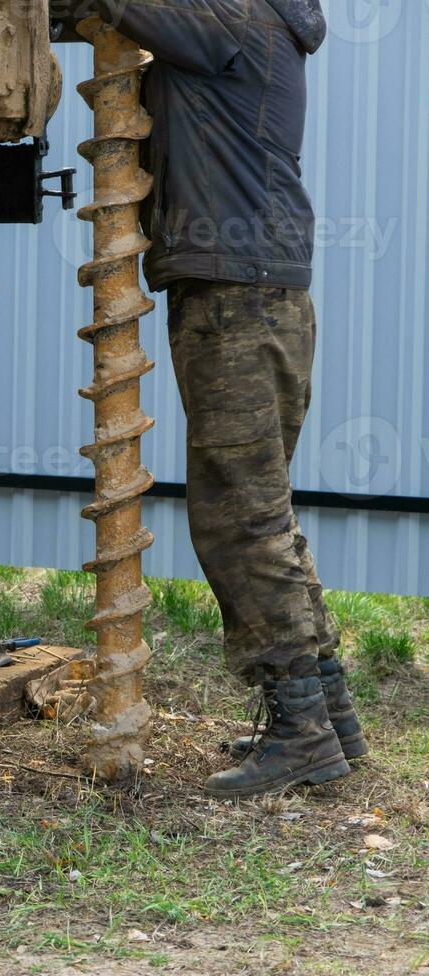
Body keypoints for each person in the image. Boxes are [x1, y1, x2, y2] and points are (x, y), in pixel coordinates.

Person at [84, 0, 367, 797]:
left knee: (240, 520)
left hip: (238, 298)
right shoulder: (250, 22)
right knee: (262, 513)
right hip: (252, 292)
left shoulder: (239, 18)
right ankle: (330, 721)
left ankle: (302, 733)